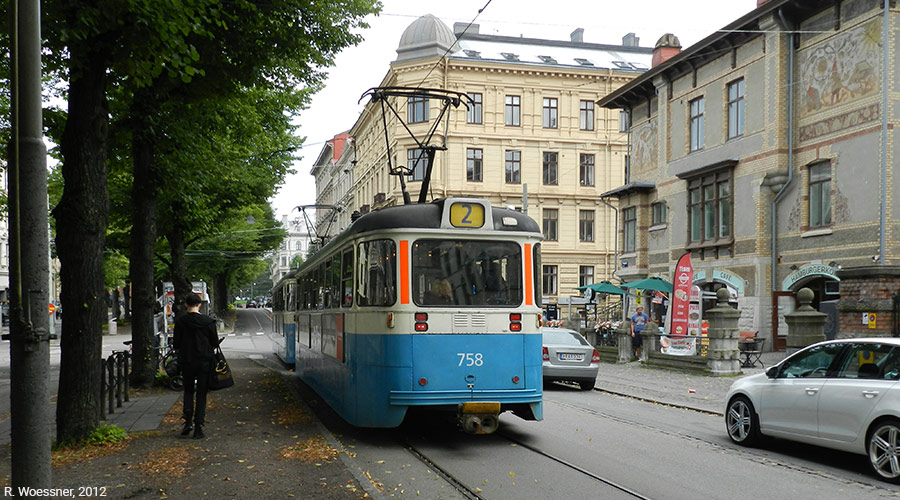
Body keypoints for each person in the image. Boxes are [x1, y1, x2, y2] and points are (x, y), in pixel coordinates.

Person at [173, 293, 218, 439]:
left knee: (188, 391)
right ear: (199, 305)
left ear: (186, 305)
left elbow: (176, 344)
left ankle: (187, 422)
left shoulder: (180, 322)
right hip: (204, 360)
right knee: (201, 393)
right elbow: (214, 342)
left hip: (187, 360)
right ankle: (199, 426)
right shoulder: (208, 321)